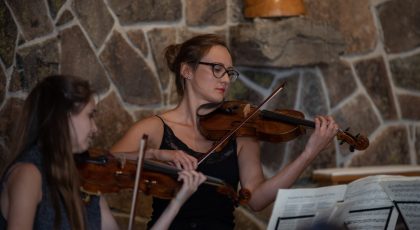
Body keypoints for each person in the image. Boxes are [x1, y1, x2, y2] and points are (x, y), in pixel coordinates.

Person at [110, 34, 339, 229]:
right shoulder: (154, 128)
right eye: (217, 69)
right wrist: (157, 154)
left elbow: (257, 199)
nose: (226, 79)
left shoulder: (240, 131)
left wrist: (308, 154)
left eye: (229, 72)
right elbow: (105, 161)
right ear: (187, 71)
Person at [0, 75, 206, 230]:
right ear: (62, 117)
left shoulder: (84, 182)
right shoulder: (28, 174)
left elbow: (108, 158)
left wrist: (177, 203)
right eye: (90, 116)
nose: (95, 128)